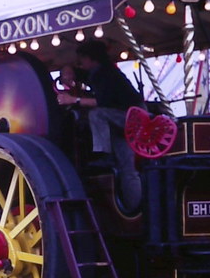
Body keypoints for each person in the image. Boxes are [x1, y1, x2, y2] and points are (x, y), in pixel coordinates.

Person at [57, 39, 145, 211]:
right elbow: (78, 74)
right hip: (128, 118)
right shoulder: (102, 72)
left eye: (81, 60)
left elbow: (101, 102)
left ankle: (103, 152)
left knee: (97, 114)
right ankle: (134, 210)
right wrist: (67, 72)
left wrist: (73, 100)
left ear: (90, 58)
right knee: (127, 169)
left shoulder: (104, 74)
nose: (80, 64)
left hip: (130, 116)